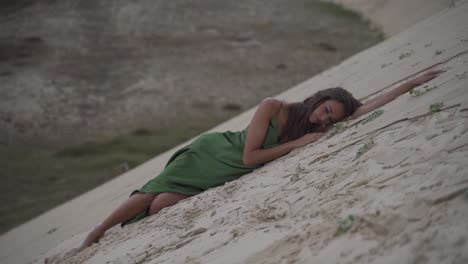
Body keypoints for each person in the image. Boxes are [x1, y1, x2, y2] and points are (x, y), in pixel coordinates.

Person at [79, 69, 444, 250]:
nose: (325, 119)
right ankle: (96, 233)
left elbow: (367, 108)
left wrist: (414, 82)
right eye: (326, 110)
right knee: (148, 196)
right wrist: (296, 144)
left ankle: (127, 219)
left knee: (161, 207)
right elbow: (250, 156)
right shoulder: (274, 107)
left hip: (223, 176)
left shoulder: (323, 121)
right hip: (212, 155)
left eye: (332, 118)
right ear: (319, 98)